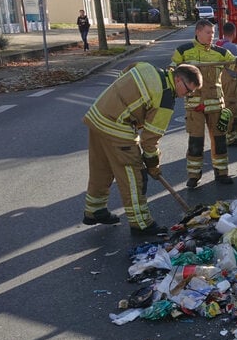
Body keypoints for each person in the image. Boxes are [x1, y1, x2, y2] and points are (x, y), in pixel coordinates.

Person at [82, 63, 202, 235]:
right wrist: (153, 165)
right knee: (133, 175)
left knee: (102, 167)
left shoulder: (149, 68)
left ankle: (94, 210)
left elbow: (125, 72)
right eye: (188, 90)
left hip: (98, 115)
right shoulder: (165, 98)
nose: (187, 96)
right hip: (117, 125)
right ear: (177, 79)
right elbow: (150, 141)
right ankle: (141, 223)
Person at [171, 19, 237, 189]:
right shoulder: (183, 52)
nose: (211, 36)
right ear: (198, 32)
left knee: (220, 141)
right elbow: (172, 73)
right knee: (195, 142)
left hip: (216, 105)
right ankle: (193, 176)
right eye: (208, 33)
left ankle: (222, 173)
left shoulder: (220, 53)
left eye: (213, 33)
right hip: (194, 106)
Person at [216, 22, 237, 147]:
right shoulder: (232, 47)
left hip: (220, 79)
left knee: (227, 107)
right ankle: (232, 138)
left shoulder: (218, 43)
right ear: (234, 33)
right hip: (231, 80)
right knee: (234, 108)